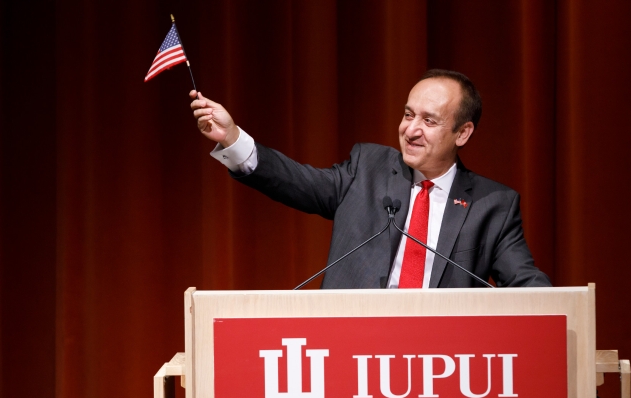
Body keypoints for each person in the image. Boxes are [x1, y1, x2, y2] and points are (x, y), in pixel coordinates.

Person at [190, 69, 551, 289]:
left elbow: (526, 283)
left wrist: (569, 321)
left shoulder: (493, 206)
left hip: (440, 366)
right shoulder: (367, 168)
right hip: (353, 352)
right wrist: (233, 139)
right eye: (409, 114)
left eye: (429, 120)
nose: (411, 130)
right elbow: (297, 181)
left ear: (463, 133)